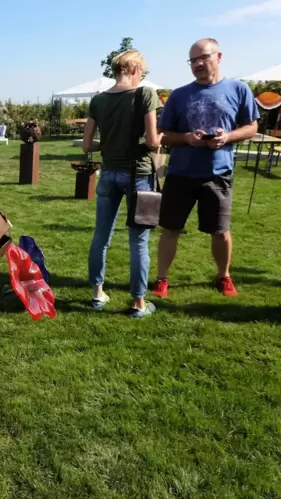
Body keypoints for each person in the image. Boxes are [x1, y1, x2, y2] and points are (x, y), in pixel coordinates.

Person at [152, 39, 259, 298]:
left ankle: (224, 276)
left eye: (204, 58)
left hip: (218, 173)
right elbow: (163, 134)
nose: (198, 64)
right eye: (193, 60)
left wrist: (227, 137)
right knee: (170, 229)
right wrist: (188, 138)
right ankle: (161, 279)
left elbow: (252, 127)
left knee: (220, 231)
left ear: (219, 56)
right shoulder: (178, 95)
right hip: (180, 173)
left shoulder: (239, 89)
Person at [82, 49, 162, 318]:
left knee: (101, 236)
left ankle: (97, 294)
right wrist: (163, 138)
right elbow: (152, 141)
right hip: (138, 174)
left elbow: (86, 145)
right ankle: (138, 303)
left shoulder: (98, 100)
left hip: (108, 174)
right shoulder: (145, 94)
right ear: (135, 69)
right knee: (138, 241)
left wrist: (109, 144)